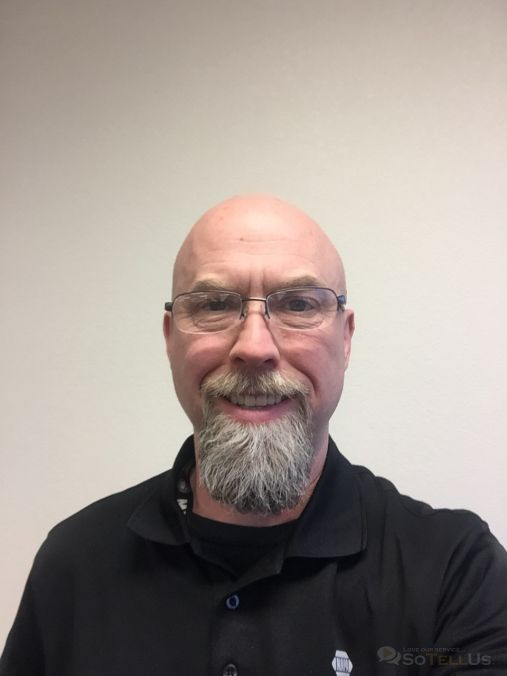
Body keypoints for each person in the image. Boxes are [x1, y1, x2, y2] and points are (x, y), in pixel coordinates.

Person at [1, 194, 506, 675]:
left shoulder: (455, 571)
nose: (254, 346)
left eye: (299, 305)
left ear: (346, 337)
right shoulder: (74, 562)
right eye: (214, 305)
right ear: (170, 337)